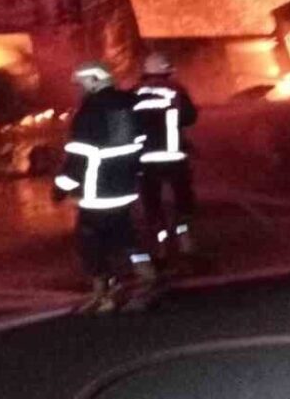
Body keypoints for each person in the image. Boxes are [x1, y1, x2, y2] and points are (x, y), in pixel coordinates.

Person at [52, 61, 155, 313]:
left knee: (90, 243)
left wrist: (60, 187)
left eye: (83, 82)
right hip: (125, 188)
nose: (80, 88)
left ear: (95, 80)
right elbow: (140, 144)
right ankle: (146, 275)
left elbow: (78, 158)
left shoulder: (89, 112)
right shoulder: (129, 105)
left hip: (96, 192)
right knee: (127, 235)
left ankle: (103, 292)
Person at [133, 52, 200, 265]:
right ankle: (185, 244)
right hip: (174, 156)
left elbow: (129, 123)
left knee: (152, 203)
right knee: (182, 200)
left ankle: (160, 248)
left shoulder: (135, 92)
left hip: (146, 159)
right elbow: (190, 117)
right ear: (166, 71)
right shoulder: (176, 89)